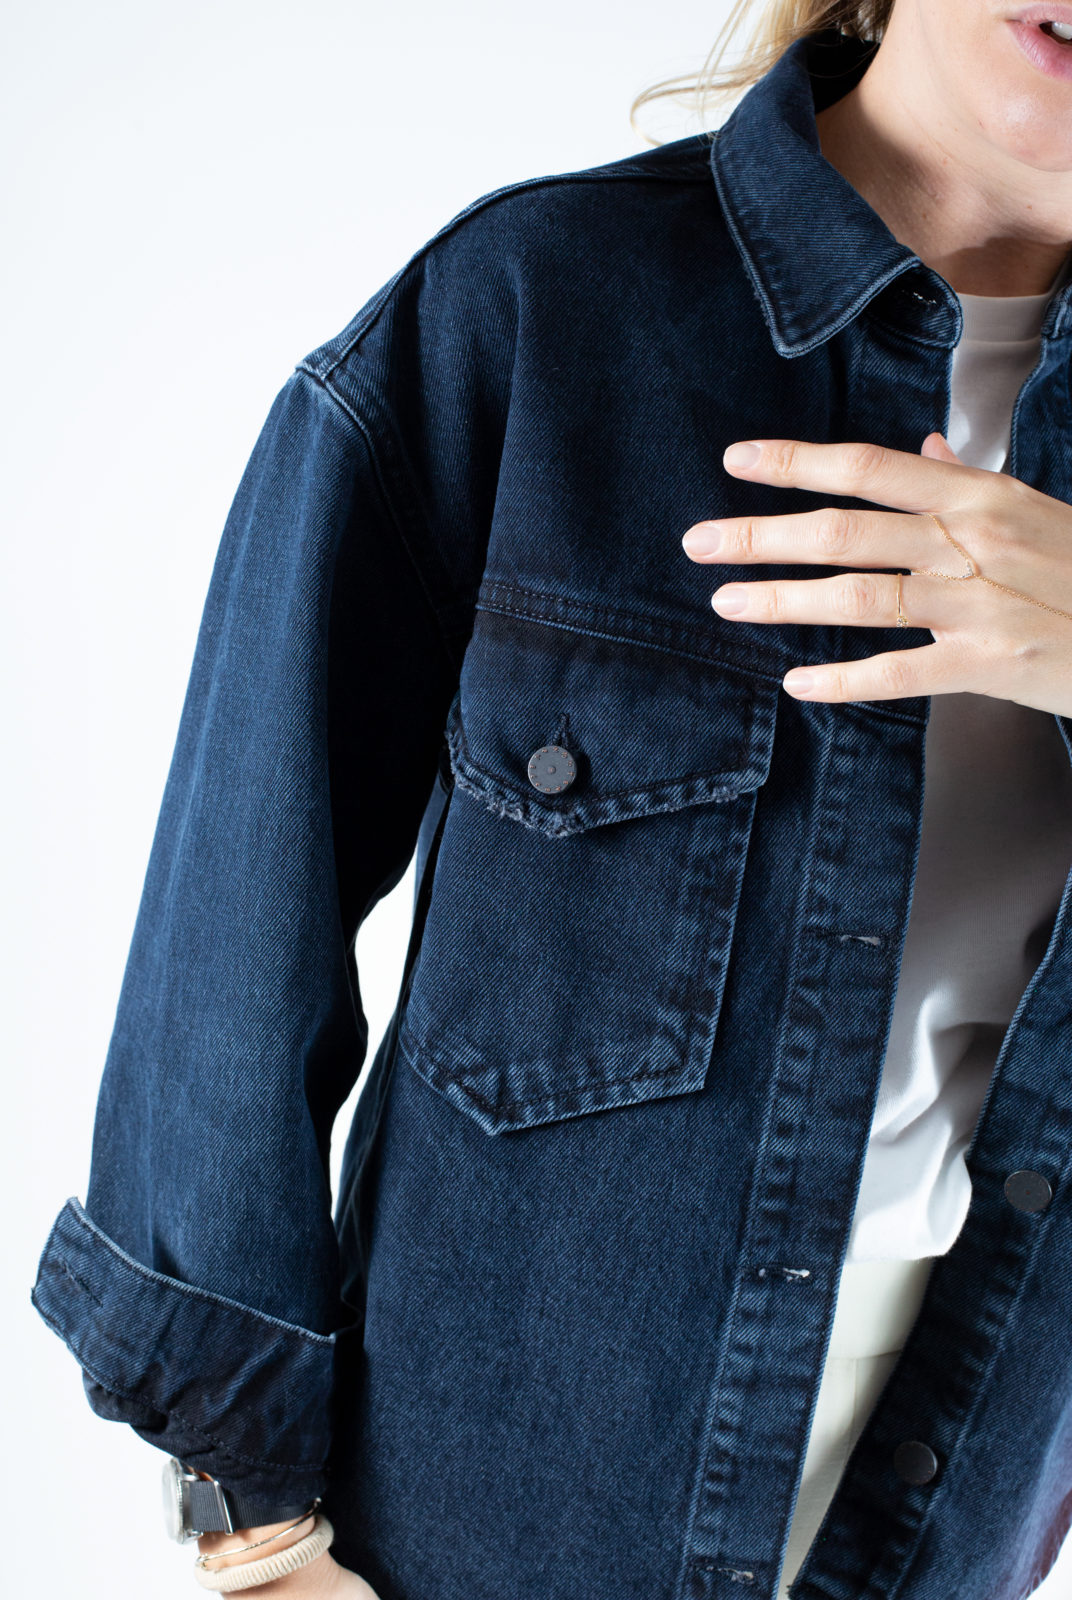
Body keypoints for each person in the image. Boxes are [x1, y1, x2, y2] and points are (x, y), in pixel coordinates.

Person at [29, 0, 1072, 1595]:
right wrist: (258, 1536)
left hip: (953, 1539)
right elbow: (232, 940)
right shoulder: (533, 308)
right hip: (486, 1528)